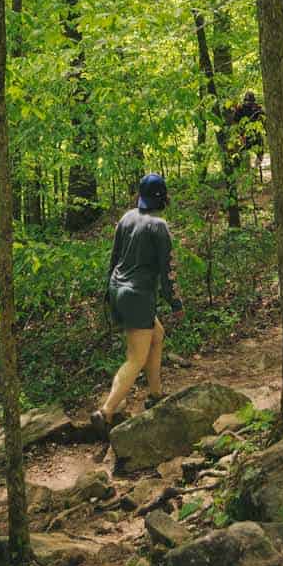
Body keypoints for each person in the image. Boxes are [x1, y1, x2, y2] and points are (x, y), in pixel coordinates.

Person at [96, 171, 181, 424]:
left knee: (157, 334)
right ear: (162, 198)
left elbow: (114, 259)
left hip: (117, 289)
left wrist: (108, 295)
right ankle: (105, 411)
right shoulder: (159, 227)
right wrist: (175, 302)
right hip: (137, 295)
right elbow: (168, 271)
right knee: (135, 358)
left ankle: (155, 394)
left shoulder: (126, 218)